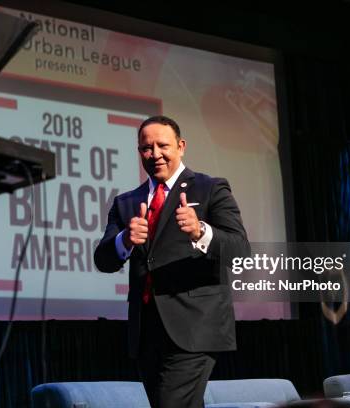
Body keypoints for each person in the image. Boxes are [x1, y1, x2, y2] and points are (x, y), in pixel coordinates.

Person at [94, 115, 250, 408]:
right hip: (146, 332)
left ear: (180, 146)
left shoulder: (211, 188)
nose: (155, 154)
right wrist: (124, 240)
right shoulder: (126, 202)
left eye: (162, 145)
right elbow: (103, 260)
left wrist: (200, 231)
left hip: (194, 325)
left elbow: (240, 250)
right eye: (146, 148)